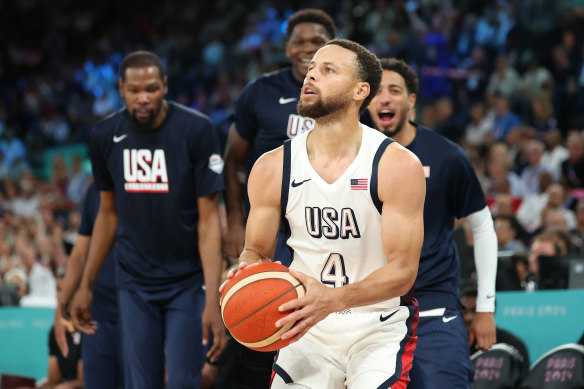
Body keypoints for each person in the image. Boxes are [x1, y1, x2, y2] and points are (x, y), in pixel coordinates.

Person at [222, 39, 425, 388]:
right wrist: (245, 274)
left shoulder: (396, 165)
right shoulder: (272, 166)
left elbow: (403, 272)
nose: (310, 75)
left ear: (360, 91)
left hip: (377, 323)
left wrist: (333, 300)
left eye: (327, 70)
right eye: (312, 68)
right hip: (305, 325)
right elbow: (255, 250)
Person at [70, 51, 226, 388]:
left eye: (152, 89)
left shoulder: (197, 130)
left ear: (165, 86)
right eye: (135, 90)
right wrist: (86, 287)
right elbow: (107, 215)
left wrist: (213, 298)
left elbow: (209, 221)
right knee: (141, 384)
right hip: (134, 282)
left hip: (186, 282)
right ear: (121, 89)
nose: (144, 98)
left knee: (184, 381)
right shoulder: (103, 136)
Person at [222, 9, 337, 387]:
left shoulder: (345, 97)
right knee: (259, 313)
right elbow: (233, 160)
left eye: (317, 41)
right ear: (287, 48)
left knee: (308, 317)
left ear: (332, 48)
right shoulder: (260, 92)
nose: (307, 48)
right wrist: (237, 219)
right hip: (269, 223)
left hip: (323, 223)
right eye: (300, 41)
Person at [367, 58, 498, 389]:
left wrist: (485, 308)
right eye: (377, 92)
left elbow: (482, 228)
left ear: (411, 100)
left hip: (432, 304)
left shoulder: (447, 156)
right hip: (366, 307)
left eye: (394, 91)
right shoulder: (350, 158)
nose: (385, 99)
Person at [56, 182, 123, 389]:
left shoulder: (144, 182)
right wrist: (62, 305)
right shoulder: (95, 190)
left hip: (138, 312)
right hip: (96, 315)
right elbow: (80, 251)